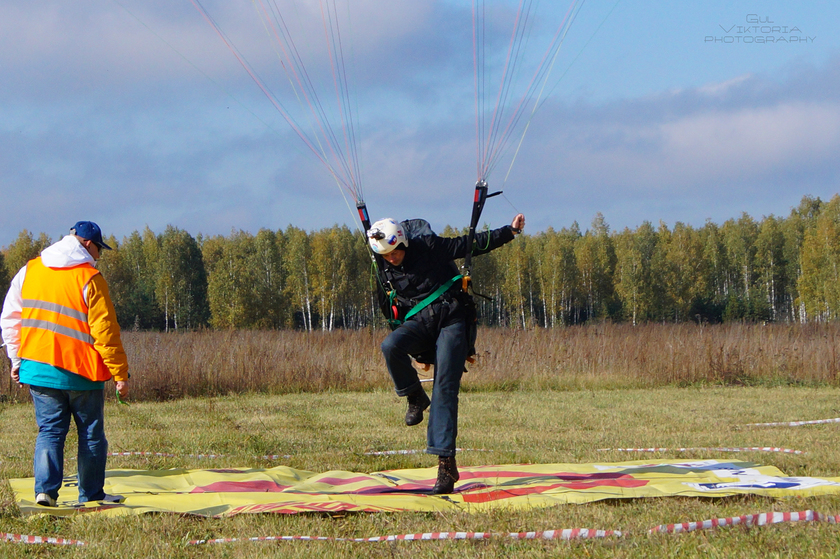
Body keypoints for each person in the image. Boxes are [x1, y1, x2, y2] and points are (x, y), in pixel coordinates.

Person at [367, 213, 525, 494]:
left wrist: (509, 232)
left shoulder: (429, 246)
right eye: (386, 255)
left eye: (394, 252)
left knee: (444, 388)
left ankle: (446, 465)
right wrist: (411, 345)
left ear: (403, 242)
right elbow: (387, 309)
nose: (391, 258)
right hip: (419, 323)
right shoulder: (382, 266)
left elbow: (468, 244)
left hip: (452, 318)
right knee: (390, 345)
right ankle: (415, 396)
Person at [1, 221, 129, 507]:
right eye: (99, 249)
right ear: (88, 244)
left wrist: (16, 358)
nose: (99, 256)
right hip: (82, 373)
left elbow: (10, 317)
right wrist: (120, 373)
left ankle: (45, 492)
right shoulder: (90, 278)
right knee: (91, 435)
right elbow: (106, 332)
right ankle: (92, 495)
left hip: (38, 369)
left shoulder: (30, 270)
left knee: (50, 432)